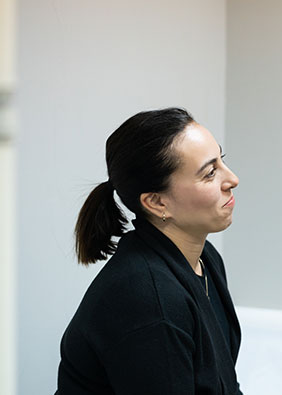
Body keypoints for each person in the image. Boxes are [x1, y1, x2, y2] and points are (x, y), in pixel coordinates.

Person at [56, 108, 244, 394]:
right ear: (157, 202)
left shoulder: (205, 260)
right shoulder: (149, 298)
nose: (232, 179)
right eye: (209, 173)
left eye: (222, 160)